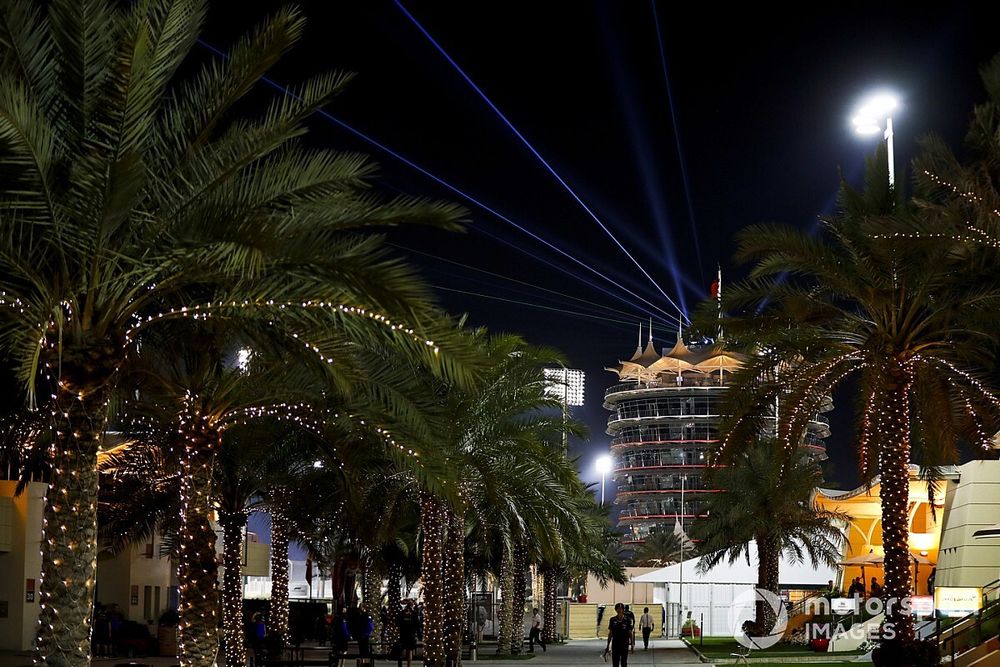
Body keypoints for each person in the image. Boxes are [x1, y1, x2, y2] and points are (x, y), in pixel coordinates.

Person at [396, 599, 419, 667]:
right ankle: (408, 665)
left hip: (403, 633)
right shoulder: (414, 613)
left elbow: (397, 622)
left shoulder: (402, 613)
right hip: (410, 634)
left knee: (402, 649)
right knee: (409, 650)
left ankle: (401, 664)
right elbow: (417, 624)